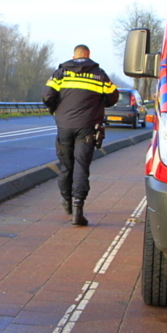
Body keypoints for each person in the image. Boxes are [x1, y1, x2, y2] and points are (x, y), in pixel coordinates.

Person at [41, 45, 119, 226]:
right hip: (87, 127)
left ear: (73, 56)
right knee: (81, 167)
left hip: (64, 127)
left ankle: (67, 202)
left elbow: (46, 95)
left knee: (66, 166)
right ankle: (78, 209)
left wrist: (55, 110)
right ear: (88, 55)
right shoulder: (100, 75)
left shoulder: (60, 74)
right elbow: (113, 97)